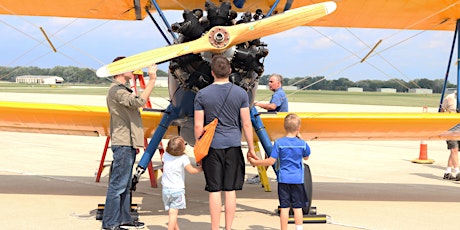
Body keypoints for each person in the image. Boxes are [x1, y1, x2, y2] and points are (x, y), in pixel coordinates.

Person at [194, 54, 257, 230]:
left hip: (212, 147)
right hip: (233, 146)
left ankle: (215, 228)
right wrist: (251, 149)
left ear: (212, 72)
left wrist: (199, 151)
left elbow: (199, 126)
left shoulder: (201, 94)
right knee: (230, 190)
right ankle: (228, 228)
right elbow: (246, 123)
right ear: (229, 71)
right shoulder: (241, 93)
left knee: (214, 190)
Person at [102, 56, 158, 230]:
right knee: (118, 186)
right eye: (130, 67)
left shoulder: (122, 89)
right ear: (120, 70)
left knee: (125, 185)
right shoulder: (117, 91)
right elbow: (138, 102)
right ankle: (110, 223)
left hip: (128, 142)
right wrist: (152, 80)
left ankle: (124, 218)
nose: (133, 69)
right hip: (123, 143)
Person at [248, 113, 311, 230]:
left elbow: (271, 161)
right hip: (297, 180)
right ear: (298, 128)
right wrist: (301, 137)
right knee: (298, 208)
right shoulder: (302, 144)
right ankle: (299, 228)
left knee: (285, 207)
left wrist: (257, 163)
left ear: (284, 127)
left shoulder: (279, 143)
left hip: (284, 179)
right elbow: (306, 157)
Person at [161, 136, 203, 230]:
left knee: (172, 212)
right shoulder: (183, 158)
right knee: (173, 213)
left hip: (166, 189)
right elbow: (191, 170)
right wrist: (202, 168)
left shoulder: (165, 155)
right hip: (177, 189)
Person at [441, 90, 460, 181]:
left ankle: (447, 172)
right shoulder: (450, 98)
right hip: (450, 127)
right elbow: (441, 111)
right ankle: (457, 172)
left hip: (459, 127)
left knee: (455, 151)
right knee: (454, 150)